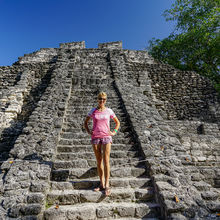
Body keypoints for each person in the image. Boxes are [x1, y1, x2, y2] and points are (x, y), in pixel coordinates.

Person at [84, 92, 120, 196]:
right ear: (97, 99)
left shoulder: (109, 111)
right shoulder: (93, 111)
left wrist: (114, 132)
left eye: (104, 99)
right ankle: (102, 183)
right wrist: (89, 131)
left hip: (106, 137)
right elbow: (85, 122)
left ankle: (107, 184)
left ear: (106, 100)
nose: (102, 101)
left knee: (106, 160)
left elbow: (117, 123)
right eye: (100, 99)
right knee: (99, 161)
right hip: (95, 138)